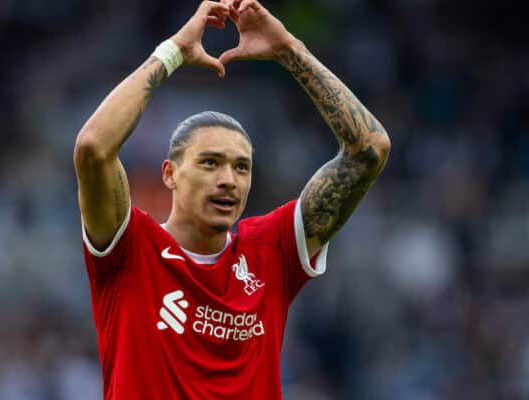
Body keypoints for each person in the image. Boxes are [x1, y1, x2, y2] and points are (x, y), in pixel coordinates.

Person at [73, 0, 390, 398]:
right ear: (170, 173)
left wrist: (290, 50)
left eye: (242, 168)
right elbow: (93, 148)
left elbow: (369, 150)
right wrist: (173, 52)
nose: (229, 181)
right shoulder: (130, 248)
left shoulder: (271, 251)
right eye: (210, 163)